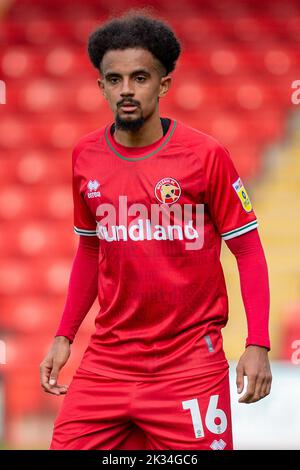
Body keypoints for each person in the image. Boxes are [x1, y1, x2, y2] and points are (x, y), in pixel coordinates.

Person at [40, 10, 272, 450]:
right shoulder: (84, 156)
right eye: (114, 79)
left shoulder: (206, 156)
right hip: (107, 363)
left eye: (140, 77)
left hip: (189, 366)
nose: (126, 90)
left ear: (163, 85)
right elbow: (90, 251)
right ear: (101, 87)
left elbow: (247, 250)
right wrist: (63, 335)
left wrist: (257, 342)